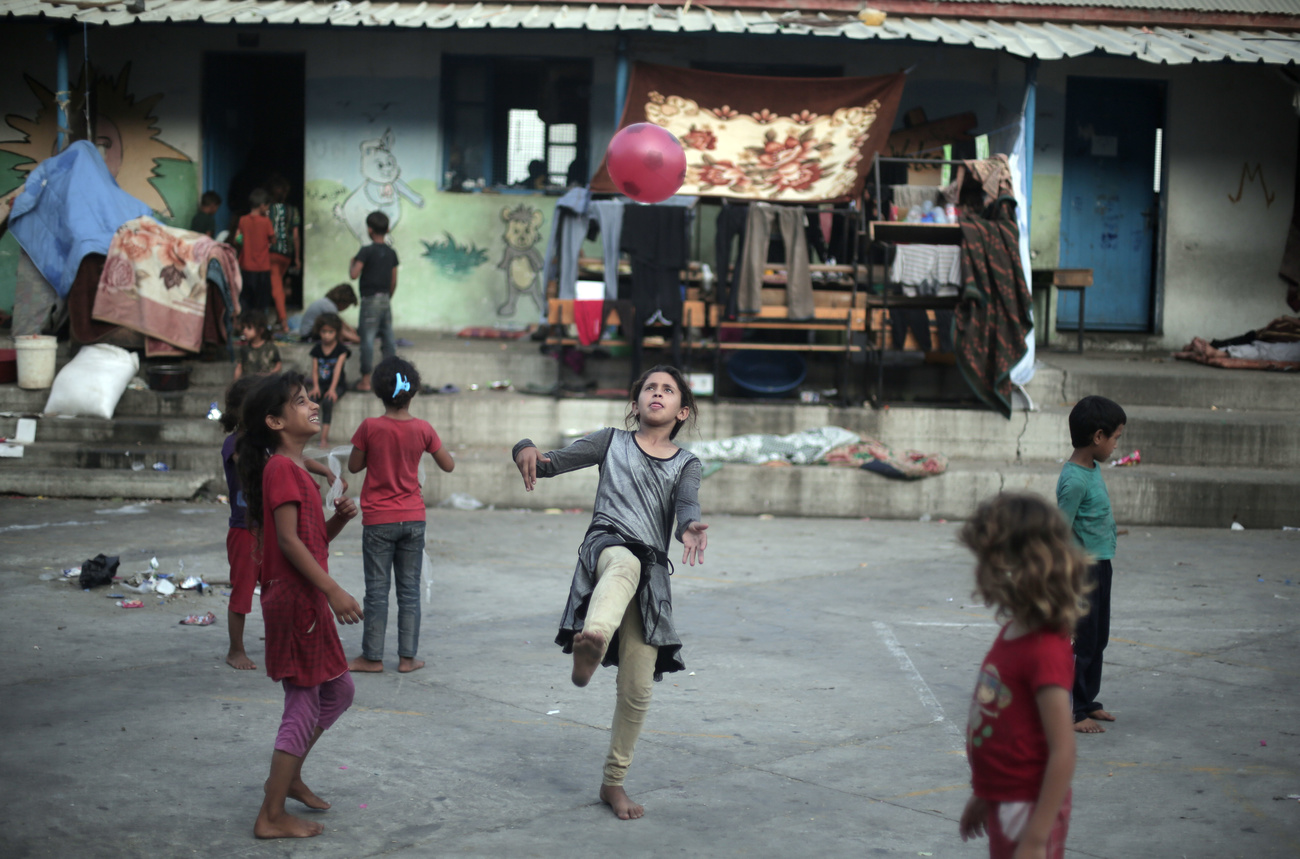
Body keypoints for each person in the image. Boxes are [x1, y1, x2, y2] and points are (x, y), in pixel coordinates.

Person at [512, 365, 708, 820]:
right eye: (649, 388)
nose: (657, 393)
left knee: (638, 690)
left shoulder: (687, 463)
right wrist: (523, 447)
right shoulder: (610, 442)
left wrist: (691, 527)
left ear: (682, 410)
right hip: (607, 547)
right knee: (623, 562)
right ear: (636, 401)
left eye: (668, 390)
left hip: (651, 578)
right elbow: (550, 463)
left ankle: (612, 783)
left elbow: (687, 507)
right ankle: (593, 641)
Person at [236, 371, 363, 840]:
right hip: (299, 602)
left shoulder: (292, 470)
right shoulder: (282, 470)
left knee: (339, 691)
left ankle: (287, 778)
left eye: (311, 398)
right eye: (300, 401)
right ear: (274, 421)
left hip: (305, 597)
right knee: (304, 703)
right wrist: (333, 591)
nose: (312, 405)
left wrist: (337, 522)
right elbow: (287, 543)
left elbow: (308, 542)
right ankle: (271, 814)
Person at [958, 492, 1090, 859]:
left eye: (986, 563)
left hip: (1030, 807)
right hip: (1006, 799)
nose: (978, 573)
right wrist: (985, 794)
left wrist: (1035, 838)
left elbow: (1063, 752)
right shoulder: (1014, 631)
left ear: (1019, 569)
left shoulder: (1044, 651)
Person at [346, 356, 454, 675]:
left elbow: (354, 466)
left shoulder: (370, 427)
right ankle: (408, 658)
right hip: (413, 518)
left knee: (377, 591)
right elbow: (448, 465)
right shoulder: (423, 429)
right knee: (409, 590)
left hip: (379, 520)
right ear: (413, 391)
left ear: (379, 391)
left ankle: (372, 656)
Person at [1057, 395, 1126, 734]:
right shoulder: (1074, 480)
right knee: (1083, 642)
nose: (1116, 445)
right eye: (1115, 438)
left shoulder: (1092, 468)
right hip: (1083, 571)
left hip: (1102, 565)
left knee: (1098, 638)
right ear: (1098, 437)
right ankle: (1076, 710)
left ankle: (1089, 700)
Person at [219, 376, 261, 671]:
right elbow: (247, 462)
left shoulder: (266, 442)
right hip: (244, 530)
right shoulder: (234, 443)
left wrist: (325, 470)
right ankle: (236, 650)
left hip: (270, 529)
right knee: (243, 590)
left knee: (276, 586)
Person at [349, 212, 398, 392]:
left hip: (370, 300)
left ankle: (366, 380)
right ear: (387, 229)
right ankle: (391, 379)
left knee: (367, 339)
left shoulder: (366, 251)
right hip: (385, 299)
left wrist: (351, 263)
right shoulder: (391, 252)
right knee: (388, 338)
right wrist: (387, 297)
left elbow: (354, 274)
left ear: (370, 230)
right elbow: (394, 281)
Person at [308, 313, 350, 448]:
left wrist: (332, 389)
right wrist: (315, 387)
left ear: (336, 333)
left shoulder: (341, 350)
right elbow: (314, 370)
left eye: (330, 332)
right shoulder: (316, 349)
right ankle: (307, 433)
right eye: (324, 331)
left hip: (338, 385)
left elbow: (337, 370)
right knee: (311, 402)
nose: (326, 335)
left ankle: (324, 438)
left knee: (327, 403)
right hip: (321, 384)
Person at [266, 175, 302, 332]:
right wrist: (297, 257)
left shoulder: (266, 209)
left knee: (276, 287)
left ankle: (283, 322)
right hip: (286, 254)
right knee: (277, 284)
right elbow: (295, 236)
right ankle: (279, 320)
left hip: (270, 253)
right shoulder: (292, 210)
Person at [235, 189, 276, 314]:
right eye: (267, 206)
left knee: (246, 299)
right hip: (262, 267)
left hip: (246, 267)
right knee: (261, 302)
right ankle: (259, 326)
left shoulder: (243, 220)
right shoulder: (266, 222)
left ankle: (245, 326)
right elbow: (273, 239)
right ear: (262, 205)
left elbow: (237, 239)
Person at [234, 309, 283, 381]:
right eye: (243, 328)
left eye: (249, 328)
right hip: (251, 385)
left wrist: (271, 374)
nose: (245, 331)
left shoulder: (270, 347)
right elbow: (239, 367)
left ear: (260, 330)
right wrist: (235, 383)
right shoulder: (245, 349)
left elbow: (278, 364)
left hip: (267, 384)